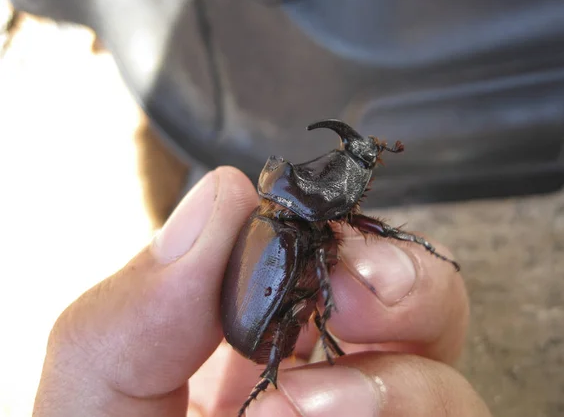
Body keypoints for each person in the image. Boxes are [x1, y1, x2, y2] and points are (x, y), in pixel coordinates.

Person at [33, 167, 492, 416]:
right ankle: (270, 382)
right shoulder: (285, 231)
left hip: (253, 330)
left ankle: (282, 373)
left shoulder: (286, 223)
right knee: (301, 302)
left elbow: (320, 287)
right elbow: (303, 299)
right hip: (259, 334)